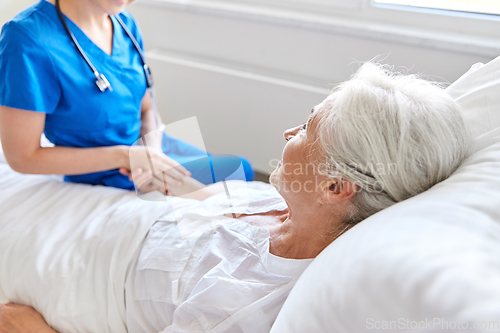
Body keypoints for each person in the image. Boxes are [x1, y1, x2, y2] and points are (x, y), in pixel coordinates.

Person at [0, 63, 471, 332]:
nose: (289, 132)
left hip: (91, 273)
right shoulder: (285, 205)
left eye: (307, 129)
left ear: (335, 187)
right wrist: (150, 157)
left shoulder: (246, 304)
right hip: (136, 209)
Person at [0, 0, 254, 195]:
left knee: (240, 170)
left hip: (150, 146)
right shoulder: (27, 40)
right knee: (231, 186)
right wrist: (126, 157)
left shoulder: (124, 23)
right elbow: (22, 157)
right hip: (106, 170)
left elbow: (146, 108)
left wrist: (151, 153)